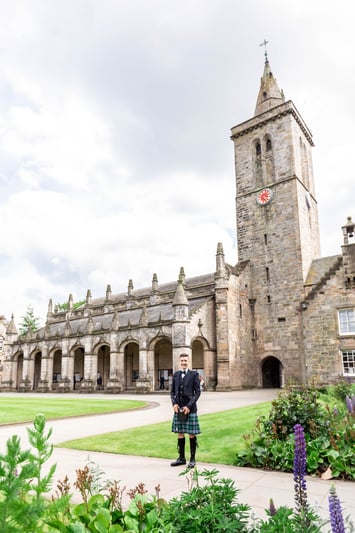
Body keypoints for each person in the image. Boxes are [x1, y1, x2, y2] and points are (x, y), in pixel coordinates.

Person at [170, 353, 201, 468]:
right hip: (178, 409)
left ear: (189, 361)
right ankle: (181, 458)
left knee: (191, 434)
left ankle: (192, 459)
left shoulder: (194, 374)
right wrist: (174, 404)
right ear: (179, 362)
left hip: (190, 409)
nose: (183, 362)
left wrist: (188, 406)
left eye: (185, 361)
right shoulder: (176, 375)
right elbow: (172, 392)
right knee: (180, 433)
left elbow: (197, 392)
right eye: (182, 360)